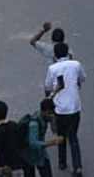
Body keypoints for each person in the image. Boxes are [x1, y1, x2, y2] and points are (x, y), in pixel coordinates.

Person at [45, 44, 85, 174]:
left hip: (60, 108)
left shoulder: (52, 68)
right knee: (73, 137)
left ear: (55, 55)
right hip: (74, 106)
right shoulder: (76, 64)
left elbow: (48, 86)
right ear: (68, 53)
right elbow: (82, 78)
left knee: (61, 135)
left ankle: (62, 162)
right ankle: (77, 166)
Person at [22, 99, 64, 177]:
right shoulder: (34, 124)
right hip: (29, 153)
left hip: (39, 152)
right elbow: (33, 143)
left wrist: (55, 134)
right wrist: (51, 143)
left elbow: (53, 123)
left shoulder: (44, 115)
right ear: (45, 111)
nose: (52, 115)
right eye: (50, 113)